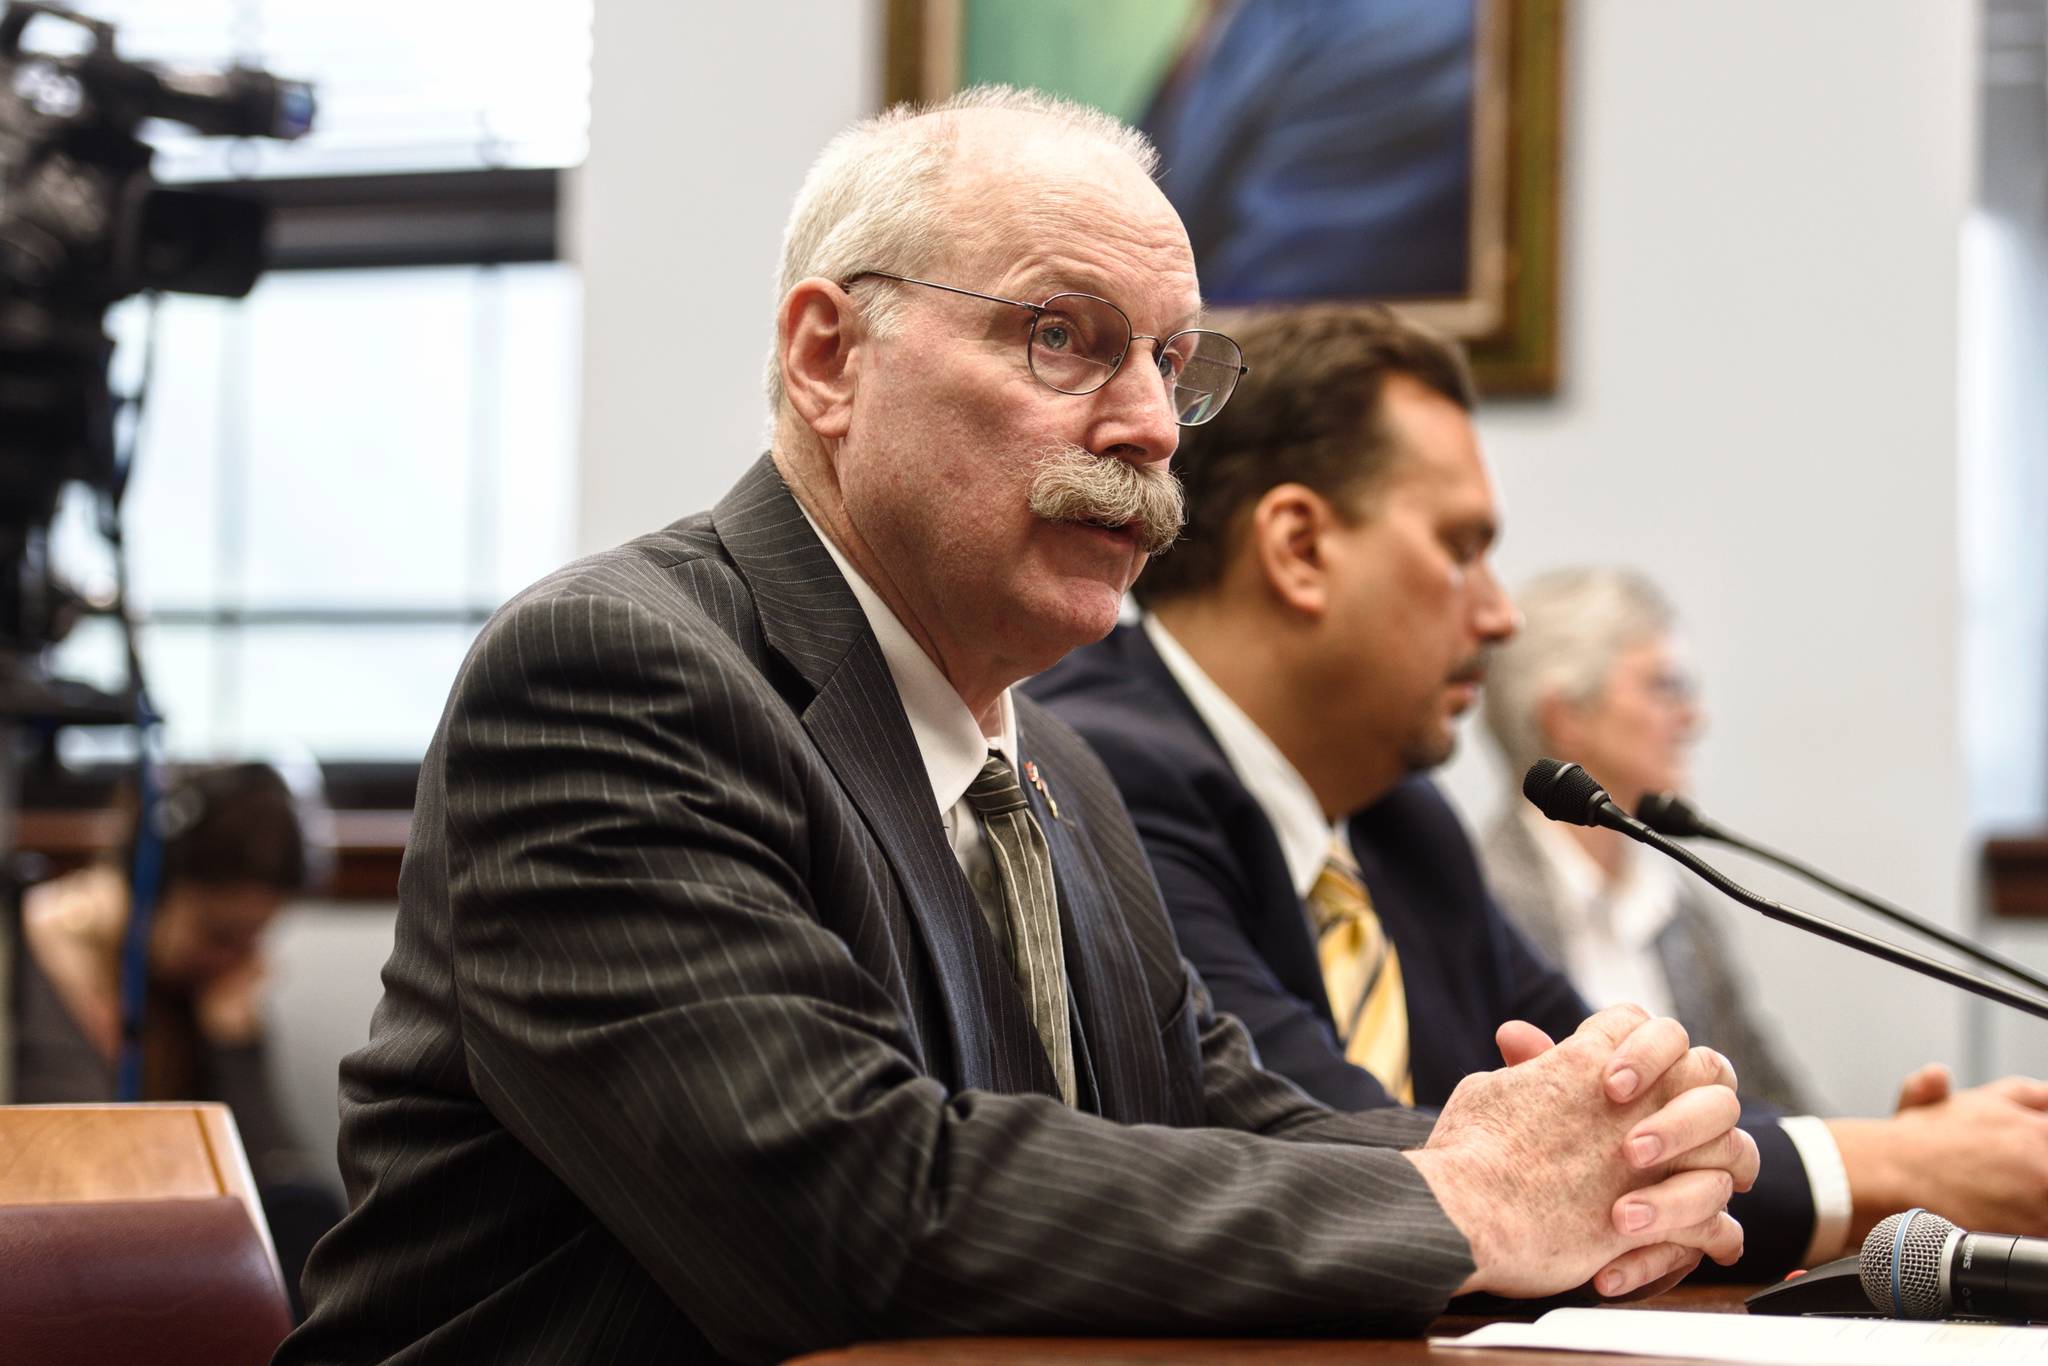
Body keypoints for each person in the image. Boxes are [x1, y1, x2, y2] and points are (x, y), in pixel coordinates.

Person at [279, 90, 1753, 1364]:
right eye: (1066, 338)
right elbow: (843, 1209)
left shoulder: (1059, 768)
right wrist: (1466, 1202)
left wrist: (1589, 1162)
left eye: (1173, 364)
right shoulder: (618, 676)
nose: (1153, 428)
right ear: (826, 356)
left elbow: (1221, 1121)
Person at [1028, 301, 2048, 1279]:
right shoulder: (1101, 771)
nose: (1501, 616)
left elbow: (1616, 1097)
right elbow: (1330, 1148)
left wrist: (1900, 1166)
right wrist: (1879, 1170)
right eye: (1461, 550)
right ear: (1298, 549)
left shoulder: (1399, 820)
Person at [1478, 567, 1813, 1112]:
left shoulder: (1678, 905)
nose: (1694, 718)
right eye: (1664, 687)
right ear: (1565, 718)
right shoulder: (1479, 908)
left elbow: (1770, 1101)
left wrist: (1890, 1150)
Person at [12, 760, 338, 1313]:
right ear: (147, 886)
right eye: (220, 935)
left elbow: (270, 1182)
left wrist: (234, 1043)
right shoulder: (21, 959)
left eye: (255, 940)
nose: (243, 962)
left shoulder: (206, 991)